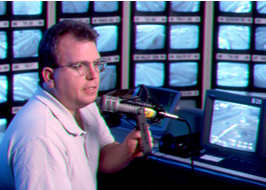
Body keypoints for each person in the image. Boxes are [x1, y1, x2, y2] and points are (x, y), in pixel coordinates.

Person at [0, 20, 152, 190]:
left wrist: (126, 150)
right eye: (79, 66)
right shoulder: (41, 137)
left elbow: (101, 157)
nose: (93, 75)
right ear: (50, 77)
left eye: (96, 64)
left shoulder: (83, 105)